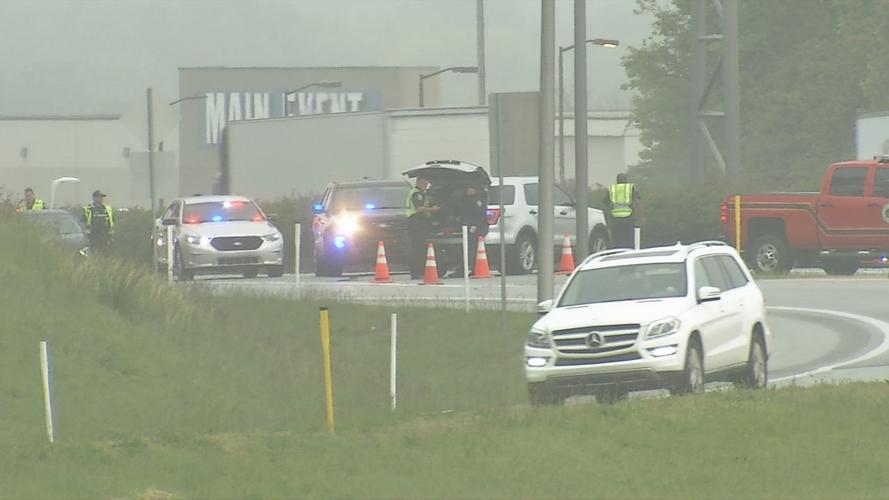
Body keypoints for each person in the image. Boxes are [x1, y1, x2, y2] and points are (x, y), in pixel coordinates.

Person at [449, 186, 489, 277]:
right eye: (467, 189)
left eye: (470, 189)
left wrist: (474, 225)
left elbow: (480, 214)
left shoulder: (479, 199)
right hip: (468, 227)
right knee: (469, 249)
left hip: (477, 228)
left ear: (474, 190)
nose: (468, 191)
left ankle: (472, 269)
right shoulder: (465, 200)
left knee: (472, 249)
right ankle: (467, 269)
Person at [406, 177, 440, 279]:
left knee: (420, 248)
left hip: (420, 223)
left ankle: (420, 271)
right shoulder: (417, 194)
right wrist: (433, 209)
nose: (426, 185)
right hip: (415, 222)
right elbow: (419, 208)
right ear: (418, 183)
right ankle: (416, 272)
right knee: (417, 248)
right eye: (424, 183)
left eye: (427, 183)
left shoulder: (423, 194)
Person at [604, 173, 641, 249]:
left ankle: (617, 254)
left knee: (617, 240)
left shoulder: (611, 188)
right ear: (626, 180)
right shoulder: (630, 187)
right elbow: (637, 200)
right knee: (629, 240)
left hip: (615, 218)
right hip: (628, 217)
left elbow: (605, 202)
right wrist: (639, 217)